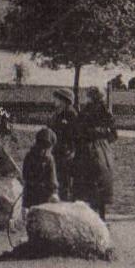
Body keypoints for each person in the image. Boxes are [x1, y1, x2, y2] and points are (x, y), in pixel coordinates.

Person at [73, 86, 118, 219]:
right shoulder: (86, 110)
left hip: (98, 149)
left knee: (98, 178)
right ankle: (90, 212)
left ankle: (99, 213)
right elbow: (79, 127)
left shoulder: (104, 111)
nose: (88, 99)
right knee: (87, 180)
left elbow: (113, 134)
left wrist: (98, 134)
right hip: (88, 148)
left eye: (90, 96)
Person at [20, 126, 60, 211]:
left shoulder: (49, 159)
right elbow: (25, 175)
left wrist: (54, 192)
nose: (42, 149)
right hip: (30, 193)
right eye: (41, 144)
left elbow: (52, 179)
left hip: (44, 195)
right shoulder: (30, 156)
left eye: (46, 146)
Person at [49, 89, 79, 199]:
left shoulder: (71, 114)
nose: (54, 100)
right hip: (55, 151)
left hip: (65, 153)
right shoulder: (57, 114)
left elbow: (75, 135)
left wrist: (71, 150)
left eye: (56, 98)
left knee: (64, 182)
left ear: (64, 100)